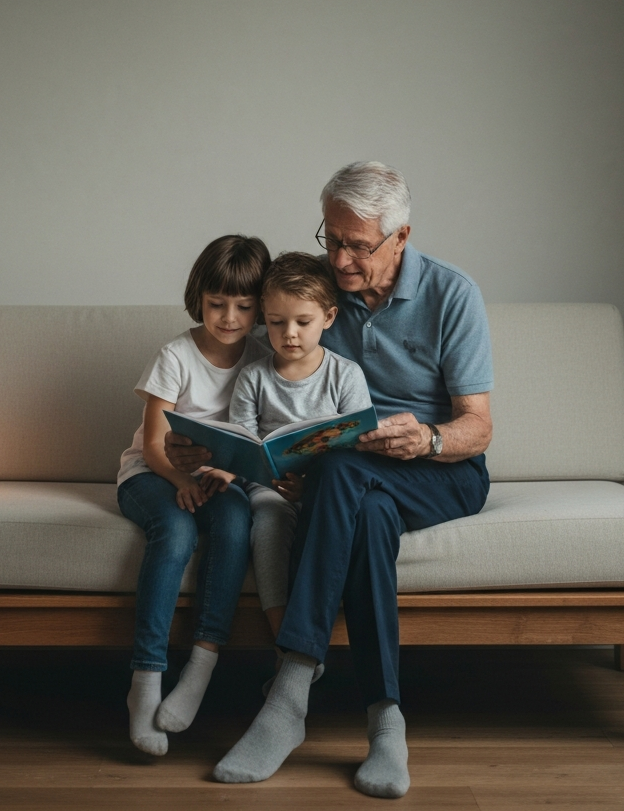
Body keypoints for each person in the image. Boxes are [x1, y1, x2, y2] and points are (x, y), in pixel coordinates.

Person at [168, 162, 493, 798]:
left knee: (344, 467)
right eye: (332, 238)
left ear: (400, 237)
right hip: (352, 478)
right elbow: (250, 360)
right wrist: (202, 440)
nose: (341, 260)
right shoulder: (322, 296)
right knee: (364, 509)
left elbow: (477, 427)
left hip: (440, 470)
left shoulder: (453, 295)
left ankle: (289, 690)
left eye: (358, 246)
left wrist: (427, 438)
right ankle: (385, 722)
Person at [116, 234, 271, 755]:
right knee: (177, 532)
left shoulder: (262, 357)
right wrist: (180, 482)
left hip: (218, 477)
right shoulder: (175, 355)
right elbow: (155, 445)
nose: (229, 317)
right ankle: (146, 681)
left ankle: (202, 665)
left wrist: (230, 475)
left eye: (244, 307)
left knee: (234, 525)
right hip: (151, 474)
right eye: (217, 304)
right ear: (198, 298)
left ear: (260, 308)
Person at [199, 252, 372, 664]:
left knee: (338, 521)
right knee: (269, 524)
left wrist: (310, 487)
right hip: (270, 489)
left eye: (302, 322)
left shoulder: (344, 375)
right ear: (263, 319)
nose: (289, 334)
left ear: (328, 317)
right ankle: (286, 646)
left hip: (326, 490)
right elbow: (243, 442)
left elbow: (359, 443)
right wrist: (230, 470)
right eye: (276, 323)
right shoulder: (254, 377)